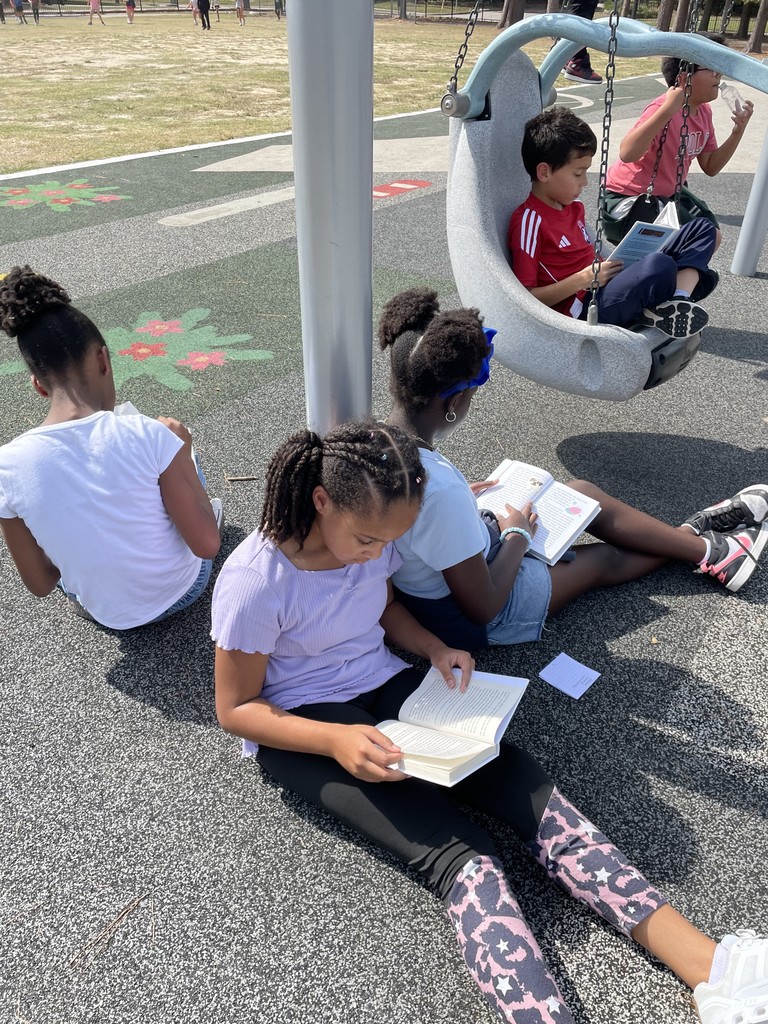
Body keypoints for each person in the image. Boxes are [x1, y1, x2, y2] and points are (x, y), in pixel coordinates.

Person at [211, 419, 768, 1024]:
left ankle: (713, 966)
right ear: (322, 501)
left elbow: (388, 606)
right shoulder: (253, 580)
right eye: (368, 538)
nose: (378, 554)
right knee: (463, 857)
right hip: (300, 724)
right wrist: (334, 739)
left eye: (387, 542)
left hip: (381, 681)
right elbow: (235, 710)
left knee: (529, 792)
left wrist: (432, 649)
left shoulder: (374, 537)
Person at [378, 288, 768, 651]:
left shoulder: (380, 442)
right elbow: (485, 606)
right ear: (456, 399)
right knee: (604, 560)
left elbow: (426, 525)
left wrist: (466, 502)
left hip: (465, 563)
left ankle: (702, 543)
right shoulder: (437, 490)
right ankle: (703, 542)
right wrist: (517, 536)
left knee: (581, 493)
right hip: (475, 617)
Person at [0, 266, 222, 631]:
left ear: (38, 385)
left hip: (104, 612)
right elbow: (207, 546)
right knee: (176, 447)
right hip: (183, 591)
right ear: (104, 360)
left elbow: (40, 583)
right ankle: (208, 506)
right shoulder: (145, 433)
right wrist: (181, 452)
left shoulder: (8, 467)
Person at [509, 106, 719, 340]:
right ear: (544, 172)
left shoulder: (573, 208)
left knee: (702, 229)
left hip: (606, 282)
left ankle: (678, 298)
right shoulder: (529, 220)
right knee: (661, 266)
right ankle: (664, 301)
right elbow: (525, 298)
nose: (585, 183)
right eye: (578, 174)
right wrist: (584, 279)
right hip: (585, 306)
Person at [604, 38, 754, 244]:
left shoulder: (703, 111)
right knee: (673, 242)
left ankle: (681, 272)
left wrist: (738, 131)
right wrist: (666, 110)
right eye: (711, 68)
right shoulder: (661, 109)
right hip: (629, 196)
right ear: (684, 78)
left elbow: (711, 166)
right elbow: (627, 154)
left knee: (711, 235)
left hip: (668, 194)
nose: (718, 74)